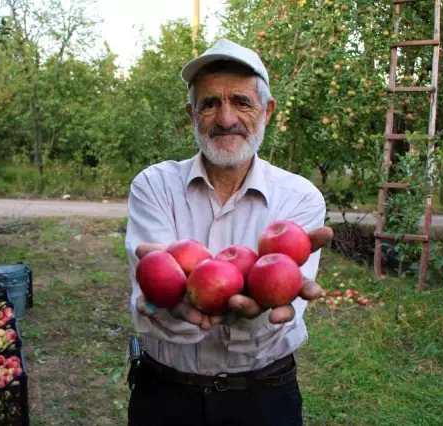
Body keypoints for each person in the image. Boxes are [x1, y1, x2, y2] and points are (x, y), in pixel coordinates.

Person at [124, 39, 334, 426]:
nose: (225, 119)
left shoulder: (299, 198)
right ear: (192, 114)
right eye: (209, 104)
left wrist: (257, 301)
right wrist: (171, 297)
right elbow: (152, 304)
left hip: (262, 396)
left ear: (266, 111)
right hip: (164, 394)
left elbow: (278, 318)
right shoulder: (154, 186)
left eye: (241, 101)